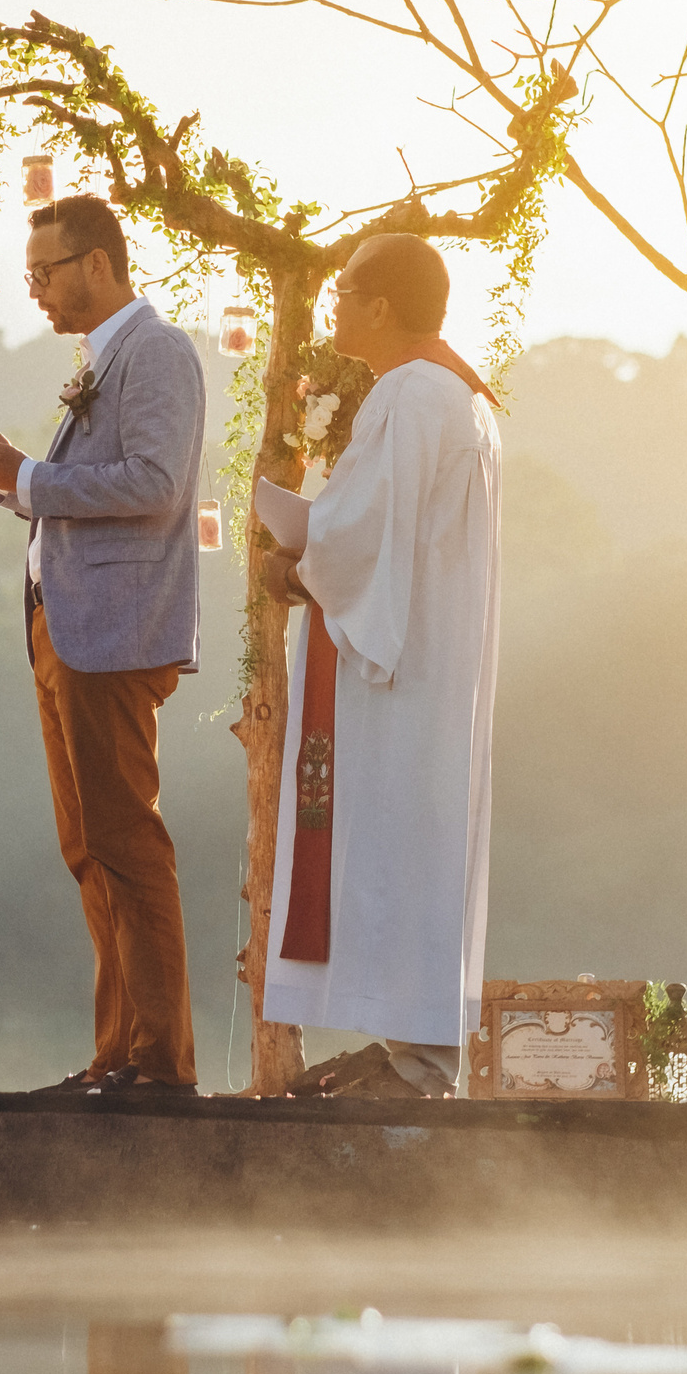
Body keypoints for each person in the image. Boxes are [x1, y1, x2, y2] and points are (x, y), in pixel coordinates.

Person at [0, 196, 208, 1096]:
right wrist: (15, 474)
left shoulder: (159, 350)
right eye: (30, 276)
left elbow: (157, 483)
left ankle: (159, 1065)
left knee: (127, 843)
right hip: (64, 628)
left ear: (98, 264)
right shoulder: (105, 357)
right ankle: (117, 1053)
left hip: (114, 630)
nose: (37, 292)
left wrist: (24, 475)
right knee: (87, 845)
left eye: (45, 273)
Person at [260, 234, 502, 1097]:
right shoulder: (462, 397)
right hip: (434, 657)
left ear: (384, 306)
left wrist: (294, 559)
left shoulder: (407, 395)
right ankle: (418, 1053)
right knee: (420, 844)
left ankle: (421, 1065)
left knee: (400, 843)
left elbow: (359, 532)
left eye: (347, 288)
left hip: (396, 668)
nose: (334, 303)